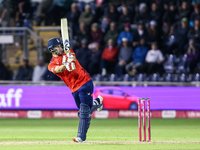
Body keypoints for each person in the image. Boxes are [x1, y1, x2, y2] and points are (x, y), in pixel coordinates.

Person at [47, 37, 103, 142]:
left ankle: (81, 137)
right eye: (57, 47)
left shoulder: (68, 52)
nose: (60, 48)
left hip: (84, 81)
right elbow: (59, 69)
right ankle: (97, 102)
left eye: (60, 46)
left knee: (84, 111)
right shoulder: (51, 65)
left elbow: (72, 59)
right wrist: (65, 64)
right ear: (52, 50)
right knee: (83, 112)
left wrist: (70, 60)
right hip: (73, 88)